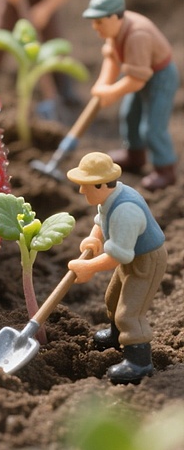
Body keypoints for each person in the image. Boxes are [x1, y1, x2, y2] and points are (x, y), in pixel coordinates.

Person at [66, 152, 167, 384]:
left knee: (129, 312)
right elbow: (101, 222)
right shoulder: (109, 197)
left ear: (101, 184)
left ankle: (139, 362)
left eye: (86, 186)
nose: (82, 191)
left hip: (146, 261)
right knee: (113, 298)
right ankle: (117, 335)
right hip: (131, 257)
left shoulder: (125, 211)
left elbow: (116, 256)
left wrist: (89, 267)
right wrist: (94, 239)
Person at [82, 0, 179, 190]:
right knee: (130, 115)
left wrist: (113, 92)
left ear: (114, 17)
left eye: (99, 22)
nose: (95, 27)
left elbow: (136, 80)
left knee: (152, 128)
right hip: (141, 73)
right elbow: (112, 59)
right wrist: (103, 85)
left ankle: (165, 169)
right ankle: (135, 155)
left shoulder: (137, 35)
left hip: (160, 77)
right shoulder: (115, 30)